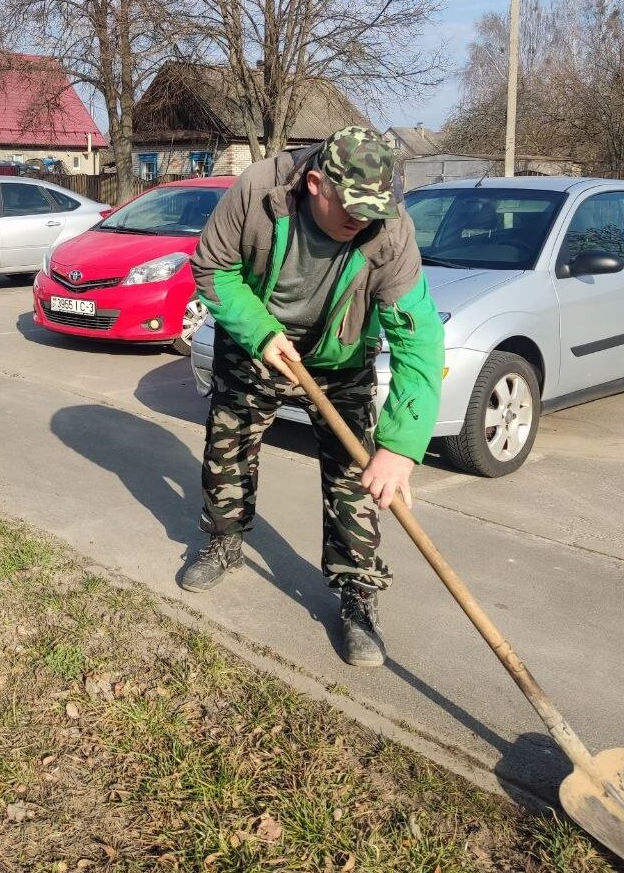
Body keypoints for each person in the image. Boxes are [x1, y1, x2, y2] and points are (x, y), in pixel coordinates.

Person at [182, 126, 445, 668]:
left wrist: (401, 445)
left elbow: (418, 337)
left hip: (341, 352)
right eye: (352, 207)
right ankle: (224, 539)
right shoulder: (258, 192)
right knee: (227, 445)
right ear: (316, 183)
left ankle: (356, 596)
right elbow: (212, 267)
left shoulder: (389, 230)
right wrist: (258, 332)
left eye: (376, 210)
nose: (364, 221)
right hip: (258, 338)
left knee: (357, 473)